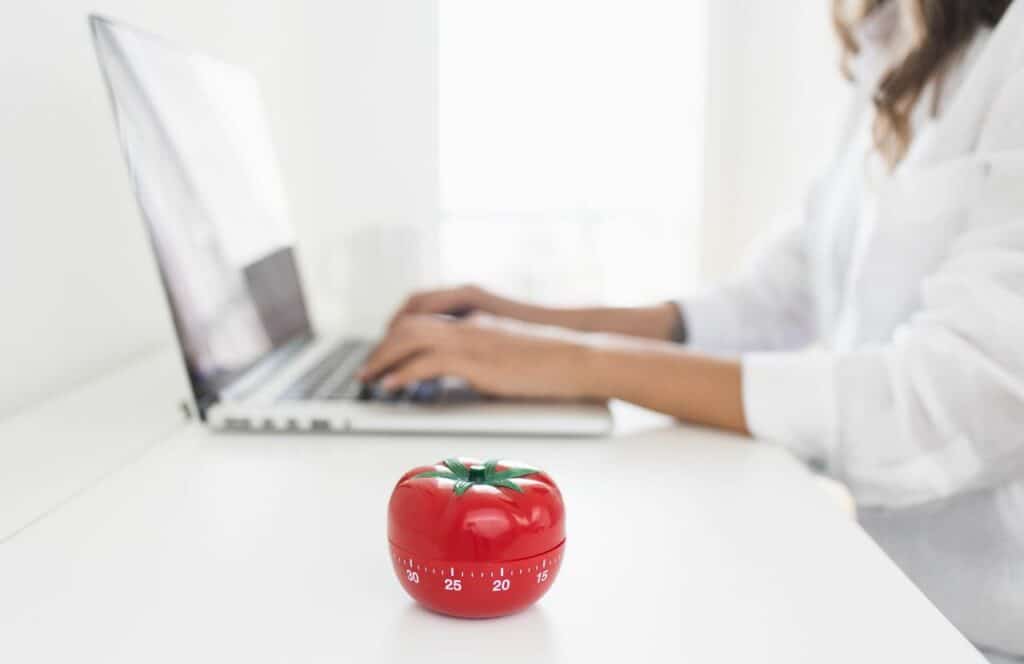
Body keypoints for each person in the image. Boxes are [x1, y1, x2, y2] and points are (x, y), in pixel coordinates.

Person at [361, 1, 1024, 660]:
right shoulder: (896, 32)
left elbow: (941, 405)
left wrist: (572, 361)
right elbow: (776, 300)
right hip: (892, 597)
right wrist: (522, 325)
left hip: (983, 628)